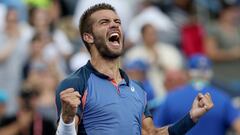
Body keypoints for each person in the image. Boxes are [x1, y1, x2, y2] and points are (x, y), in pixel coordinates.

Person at [55, 3, 213, 135]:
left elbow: (152, 134)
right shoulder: (75, 84)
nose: (114, 24)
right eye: (104, 22)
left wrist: (191, 117)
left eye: (117, 21)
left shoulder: (137, 88)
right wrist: (67, 120)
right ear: (88, 37)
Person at [153, 54, 240, 135]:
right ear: (209, 73)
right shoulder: (223, 98)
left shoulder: (171, 97)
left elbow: (154, 131)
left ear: (188, 73)